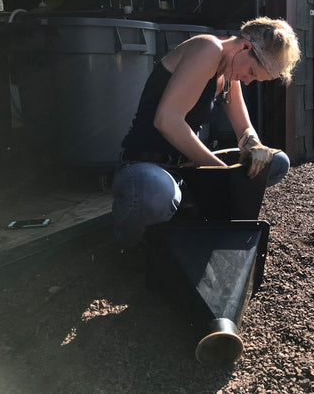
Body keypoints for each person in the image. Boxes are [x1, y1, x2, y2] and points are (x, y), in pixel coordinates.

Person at [111, 17, 300, 247]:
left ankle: (185, 213)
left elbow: (245, 129)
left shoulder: (228, 75)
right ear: (245, 46)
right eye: (251, 71)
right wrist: (222, 174)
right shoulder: (208, 48)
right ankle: (127, 241)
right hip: (146, 167)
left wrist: (254, 146)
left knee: (277, 161)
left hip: (186, 170)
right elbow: (167, 120)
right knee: (154, 191)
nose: (248, 81)